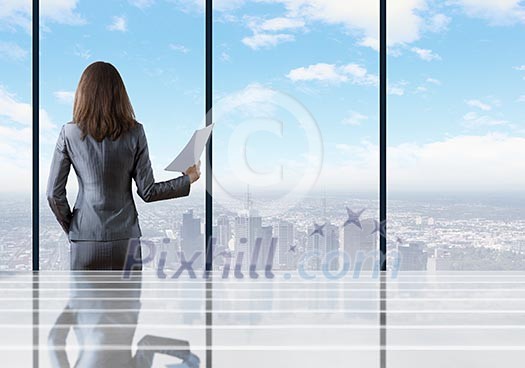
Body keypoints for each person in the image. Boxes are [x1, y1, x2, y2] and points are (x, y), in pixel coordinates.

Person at [46, 61, 201, 271]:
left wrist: (75, 228)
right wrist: (188, 178)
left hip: (85, 238)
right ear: (120, 94)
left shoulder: (68, 133)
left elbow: (54, 195)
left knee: (83, 303)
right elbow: (148, 191)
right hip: (126, 240)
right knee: (127, 303)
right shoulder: (135, 132)